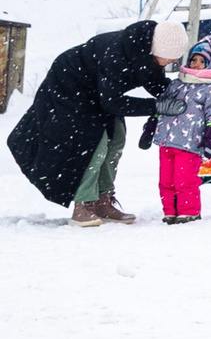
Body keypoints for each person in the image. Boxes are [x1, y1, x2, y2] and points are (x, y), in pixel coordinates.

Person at [9, 18, 178, 225]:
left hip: (100, 91)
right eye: (169, 58)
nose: (172, 62)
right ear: (155, 50)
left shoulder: (148, 53)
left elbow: (155, 83)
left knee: (116, 139)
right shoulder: (118, 54)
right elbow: (113, 103)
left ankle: (102, 201)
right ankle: (84, 204)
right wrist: (156, 107)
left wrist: (178, 95)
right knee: (92, 145)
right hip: (70, 87)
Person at [151, 34, 211, 223]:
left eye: (202, 61)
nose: (195, 64)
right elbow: (161, 106)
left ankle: (189, 211)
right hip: (166, 141)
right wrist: (150, 126)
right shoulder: (176, 84)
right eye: (193, 59)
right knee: (166, 182)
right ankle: (170, 211)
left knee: (184, 180)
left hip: (189, 144)